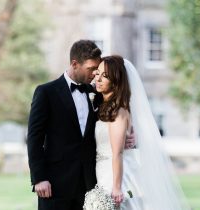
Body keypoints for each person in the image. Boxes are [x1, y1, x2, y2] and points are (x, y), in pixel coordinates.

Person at [27, 40, 135, 210]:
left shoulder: (96, 93)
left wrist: (128, 138)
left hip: (90, 185)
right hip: (55, 184)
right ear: (75, 64)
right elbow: (34, 138)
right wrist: (39, 178)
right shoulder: (46, 92)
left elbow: (114, 121)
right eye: (91, 69)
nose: (94, 75)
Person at [85, 55, 190, 210]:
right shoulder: (102, 105)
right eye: (97, 73)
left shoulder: (118, 111)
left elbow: (117, 153)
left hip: (113, 176)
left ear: (116, 82)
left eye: (105, 76)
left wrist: (116, 186)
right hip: (101, 172)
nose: (98, 79)